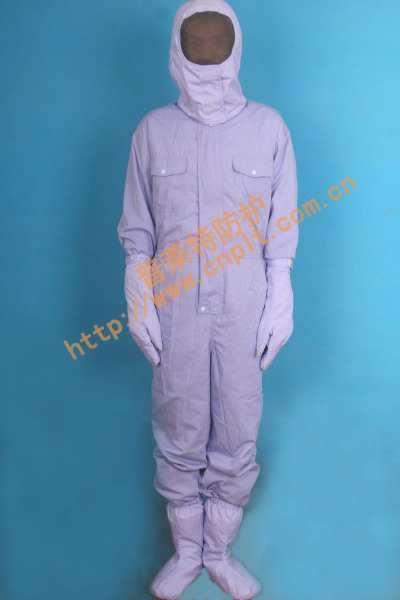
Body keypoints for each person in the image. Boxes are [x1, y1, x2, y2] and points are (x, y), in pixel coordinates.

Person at [117, 1, 299, 598]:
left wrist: (281, 291)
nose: (207, 52)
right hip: (174, 309)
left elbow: (281, 224)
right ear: (176, 48)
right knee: (178, 423)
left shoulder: (268, 128)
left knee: (238, 424)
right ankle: (187, 553)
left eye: (218, 39)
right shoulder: (152, 131)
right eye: (194, 40)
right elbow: (139, 228)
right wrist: (138, 293)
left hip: (244, 307)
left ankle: (219, 553)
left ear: (236, 46)